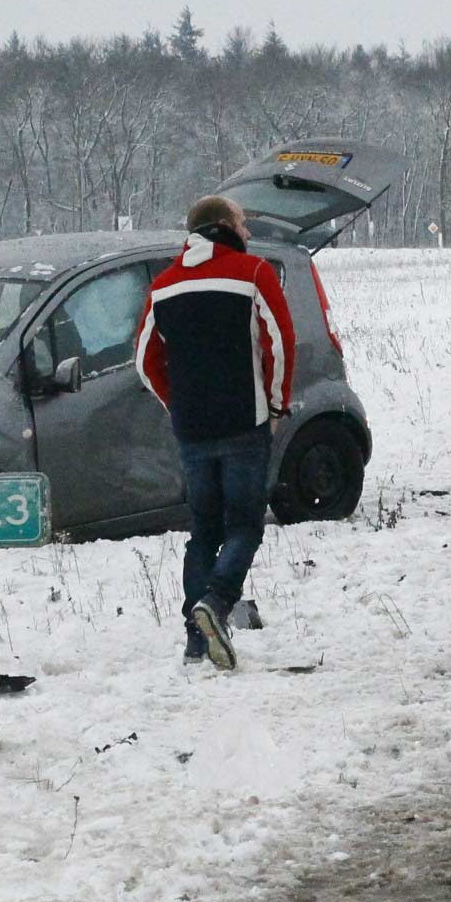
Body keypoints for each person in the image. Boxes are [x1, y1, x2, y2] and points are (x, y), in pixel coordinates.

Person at [134, 195, 296, 668]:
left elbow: (144, 361)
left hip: (192, 430)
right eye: (243, 223)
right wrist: (278, 403)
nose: (247, 233)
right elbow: (281, 343)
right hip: (245, 424)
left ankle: (196, 639)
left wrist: (176, 402)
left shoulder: (163, 286)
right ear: (222, 226)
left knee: (202, 532)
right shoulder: (253, 274)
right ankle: (217, 603)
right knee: (244, 525)